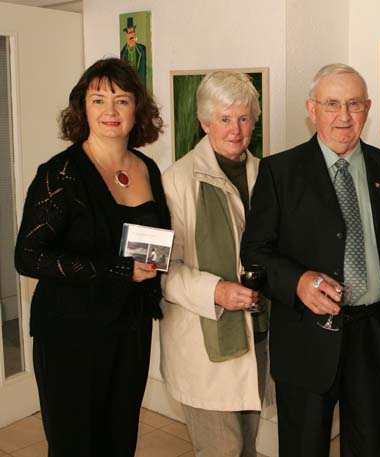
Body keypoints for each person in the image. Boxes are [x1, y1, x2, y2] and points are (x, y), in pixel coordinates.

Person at [240, 63, 380, 457]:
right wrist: (298, 282)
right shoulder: (279, 171)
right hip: (305, 337)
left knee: (367, 448)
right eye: (332, 104)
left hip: (372, 338)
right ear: (312, 110)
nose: (344, 116)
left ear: (367, 109)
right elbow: (255, 251)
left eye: (353, 104)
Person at [14, 57, 168, 457]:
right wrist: (117, 270)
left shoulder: (147, 168)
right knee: (77, 445)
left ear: (138, 109)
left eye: (121, 100)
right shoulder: (60, 173)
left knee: (120, 439)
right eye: (98, 100)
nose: (110, 111)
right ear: (82, 108)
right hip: (71, 333)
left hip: (130, 330)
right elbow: (28, 256)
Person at [160, 71, 268, 457]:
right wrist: (217, 290)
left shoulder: (266, 174)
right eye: (224, 119)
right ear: (205, 122)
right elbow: (163, 273)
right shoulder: (176, 181)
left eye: (243, 118)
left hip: (256, 335)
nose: (236, 130)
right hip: (203, 343)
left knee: (247, 447)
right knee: (222, 450)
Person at [120, 16, 147, 86]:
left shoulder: (142, 49)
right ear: (126, 34)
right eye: (129, 33)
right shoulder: (123, 53)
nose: (131, 35)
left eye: (132, 32)